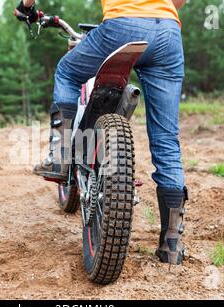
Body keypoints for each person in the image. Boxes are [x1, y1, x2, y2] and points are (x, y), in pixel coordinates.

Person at [16, 0, 188, 266]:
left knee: (67, 72)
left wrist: (26, 7)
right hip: (168, 30)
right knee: (166, 139)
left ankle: (60, 156)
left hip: (123, 25)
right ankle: (171, 246)